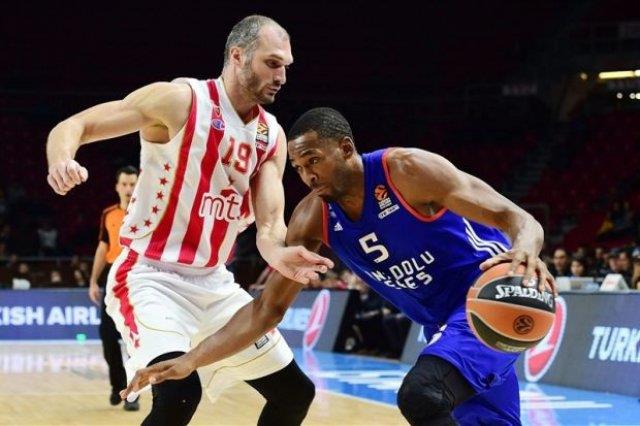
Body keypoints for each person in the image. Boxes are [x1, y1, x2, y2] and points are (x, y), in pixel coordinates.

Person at [122, 107, 556, 425]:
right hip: (443, 324)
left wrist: (526, 251)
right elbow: (266, 310)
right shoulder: (312, 218)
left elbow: (517, 218)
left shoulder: (407, 170)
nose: (307, 174)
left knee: (422, 395)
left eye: (314, 159)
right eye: (298, 167)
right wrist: (191, 360)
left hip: (492, 301)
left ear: (346, 149)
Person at [46, 16, 333, 426]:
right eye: (272, 63)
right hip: (150, 276)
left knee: (295, 394)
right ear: (238, 56)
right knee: (179, 393)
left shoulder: (271, 136)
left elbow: (270, 227)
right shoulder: (180, 100)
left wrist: (282, 256)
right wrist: (61, 159)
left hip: (214, 283)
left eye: (286, 66)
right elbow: (76, 125)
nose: (282, 76)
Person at [88, 166, 140, 411]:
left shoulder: (147, 211)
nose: (129, 189)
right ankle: (117, 385)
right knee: (107, 335)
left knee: (134, 339)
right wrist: (93, 280)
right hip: (112, 278)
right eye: (125, 184)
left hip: (137, 277)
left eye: (133, 184)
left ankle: (133, 392)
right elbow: (103, 247)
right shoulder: (108, 214)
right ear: (117, 187)